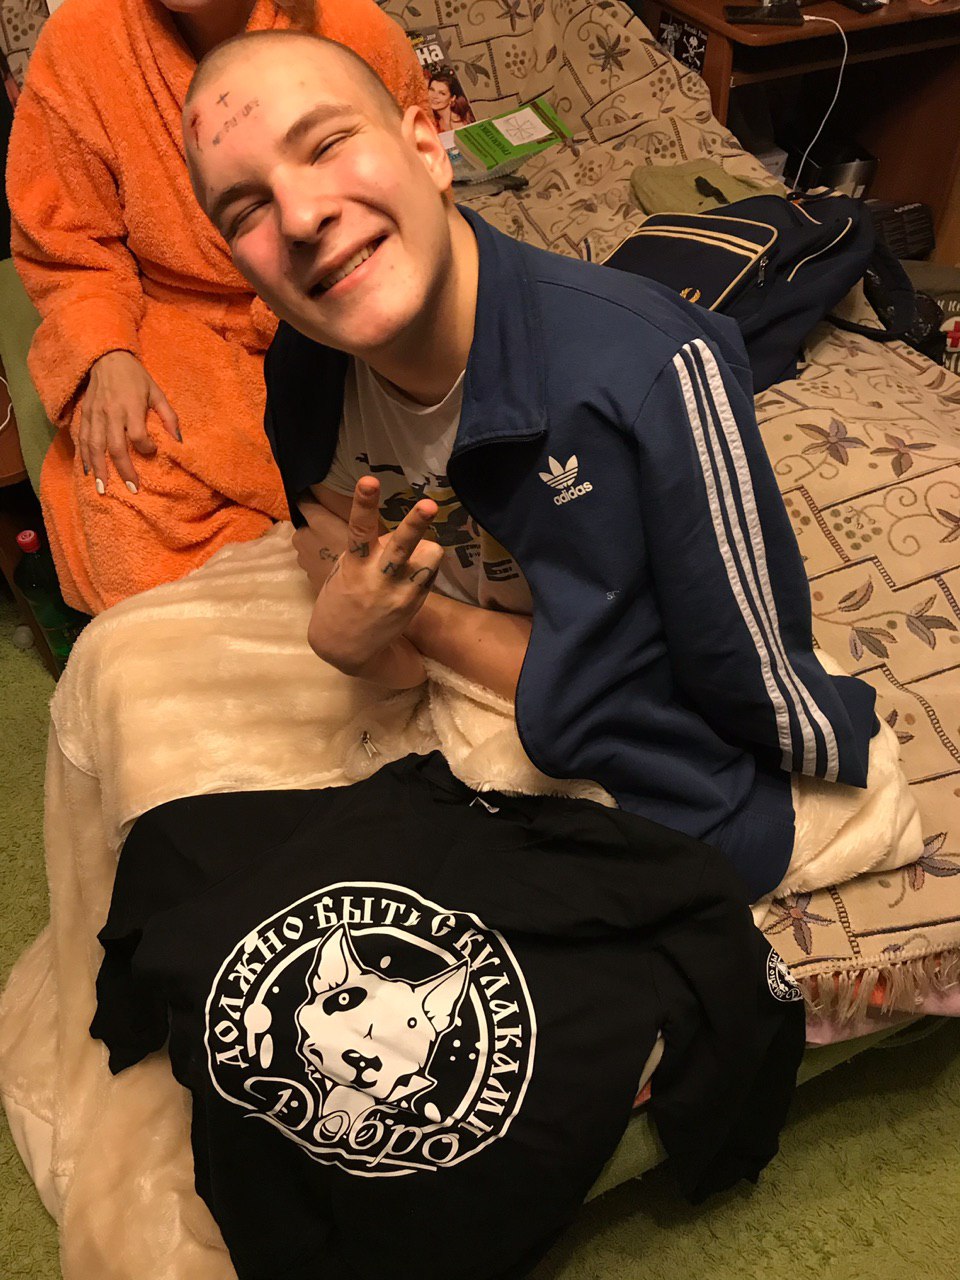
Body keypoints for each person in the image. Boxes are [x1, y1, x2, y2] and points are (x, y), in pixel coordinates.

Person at [183, 31, 878, 900]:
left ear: (428, 149)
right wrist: (347, 629)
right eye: (245, 210)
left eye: (326, 145)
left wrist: (418, 624)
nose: (297, 218)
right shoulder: (301, 370)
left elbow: (736, 684)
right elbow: (319, 536)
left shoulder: (652, 368)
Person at [7, 0, 426, 614]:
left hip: (336, 300)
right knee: (123, 473)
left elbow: (413, 203)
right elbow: (68, 242)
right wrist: (105, 350)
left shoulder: (356, 32)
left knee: (417, 493)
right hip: (181, 324)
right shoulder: (80, 43)